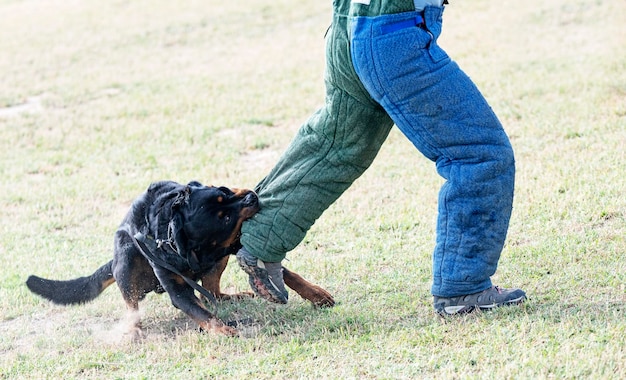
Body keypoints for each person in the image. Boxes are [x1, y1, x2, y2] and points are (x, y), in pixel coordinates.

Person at [236, 0, 527, 316]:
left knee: (338, 144)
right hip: (393, 34)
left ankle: (259, 242)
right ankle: (463, 290)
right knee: (479, 155)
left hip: (349, 24)